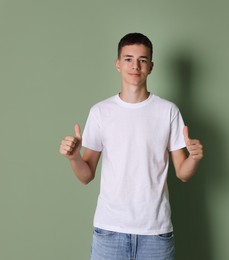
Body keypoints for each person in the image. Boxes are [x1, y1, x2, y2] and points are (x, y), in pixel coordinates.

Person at [59, 32, 203, 260]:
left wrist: (194, 158)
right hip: (109, 232)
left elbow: (183, 173)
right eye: (128, 59)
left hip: (156, 234)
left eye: (142, 60)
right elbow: (86, 176)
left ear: (151, 66)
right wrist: (74, 157)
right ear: (118, 64)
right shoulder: (100, 112)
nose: (135, 66)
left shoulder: (168, 111)